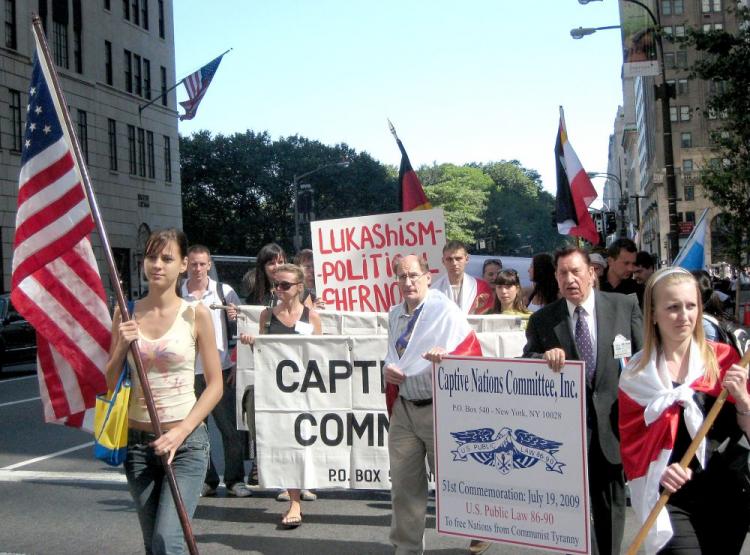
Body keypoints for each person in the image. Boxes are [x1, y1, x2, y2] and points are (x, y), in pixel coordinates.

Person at [106, 228, 222, 554]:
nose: (157, 264)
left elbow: (215, 386)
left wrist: (181, 432)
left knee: (167, 540)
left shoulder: (196, 313)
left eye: (167, 258)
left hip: (185, 445)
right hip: (137, 448)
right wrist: (121, 347)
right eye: (151, 257)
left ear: (183, 264)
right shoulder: (126, 311)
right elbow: (108, 380)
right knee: (153, 544)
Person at [619, 267, 750, 554]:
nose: (684, 315)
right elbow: (631, 450)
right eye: (673, 307)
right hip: (670, 498)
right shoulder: (636, 375)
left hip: (727, 493)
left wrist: (743, 400)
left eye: (691, 306)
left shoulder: (725, 358)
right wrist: (661, 471)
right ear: (653, 314)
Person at [522, 246, 643, 555]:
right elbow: (525, 364)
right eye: (562, 273)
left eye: (576, 271)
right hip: (566, 436)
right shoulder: (543, 321)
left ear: (592, 273)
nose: (569, 279)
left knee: (611, 507)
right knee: (572, 515)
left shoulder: (623, 306)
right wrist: (542, 358)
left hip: (612, 429)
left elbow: (643, 361)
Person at [384, 254, 488, 555]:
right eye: (402, 277)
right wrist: (386, 370)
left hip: (439, 409)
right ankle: (406, 548)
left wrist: (449, 356)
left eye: (413, 275)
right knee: (404, 487)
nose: (408, 282)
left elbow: (471, 349)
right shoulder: (393, 314)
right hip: (405, 407)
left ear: (428, 276)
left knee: (457, 478)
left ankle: (480, 528)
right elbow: (392, 356)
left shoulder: (444, 309)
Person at [241, 263, 322, 527]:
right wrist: (256, 344)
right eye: (276, 284)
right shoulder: (267, 315)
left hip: (303, 393)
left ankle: (298, 493)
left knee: (301, 444)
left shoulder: (311, 318)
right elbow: (265, 357)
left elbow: (321, 358)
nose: (279, 290)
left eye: (285, 285)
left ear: (299, 287)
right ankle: (294, 500)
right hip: (276, 394)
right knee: (284, 445)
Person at [181, 245, 251, 498]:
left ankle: (234, 480)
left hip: (220, 370)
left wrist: (235, 316)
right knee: (197, 430)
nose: (197, 269)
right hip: (188, 372)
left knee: (230, 430)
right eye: (193, 264)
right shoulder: (178, 294)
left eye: (201, 264)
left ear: (209, 265)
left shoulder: (224, 292)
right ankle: (207, 480)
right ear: (185, 265)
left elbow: (244, 326)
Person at [431, 240, 493, 314]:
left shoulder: (481, 287)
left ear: (466, 259)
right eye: (449, 259)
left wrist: (474, 310)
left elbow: (487, 319)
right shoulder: (434, 291)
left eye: (458, 258)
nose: (454, 263)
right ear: (443, 261)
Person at [600, 238, 644, 306]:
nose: (631, 269)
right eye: (626, 263)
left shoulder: (637, 289)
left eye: (633, 263)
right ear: (610, 261)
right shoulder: (595, 286)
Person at [245, 243, 286, 307]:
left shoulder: (296, 291)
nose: (277, 267)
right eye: (271, 263)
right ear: (263, 267)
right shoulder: (255, 297)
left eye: (280, 262)